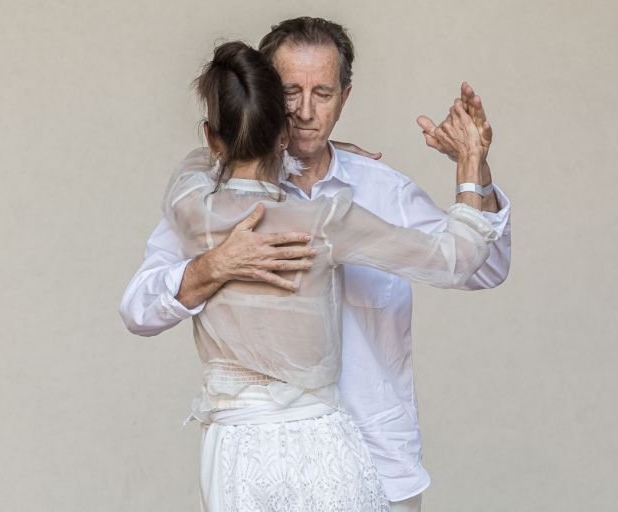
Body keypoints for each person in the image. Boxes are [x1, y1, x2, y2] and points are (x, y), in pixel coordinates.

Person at [121, 17, 511, 512]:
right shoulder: (208, 204)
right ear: (266, 93)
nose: (305, 112)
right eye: (290, 93)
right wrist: (213, 266)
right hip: (257, 466)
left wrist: (478, 171)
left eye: (322, 94)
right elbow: (138, 310)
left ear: (344, 98)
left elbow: (484, 267)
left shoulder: (377, 187)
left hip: (382, 464)